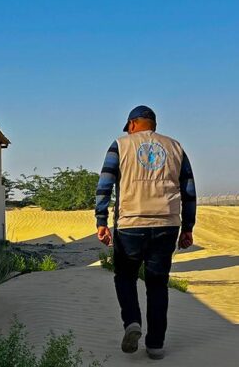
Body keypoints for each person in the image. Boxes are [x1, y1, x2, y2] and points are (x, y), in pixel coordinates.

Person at [95, 105, 196, 360]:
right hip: (166, 224)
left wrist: (101, 221)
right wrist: (188, 228)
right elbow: (189, 191)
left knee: (125, 276)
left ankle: (132, 321)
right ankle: (155, 345)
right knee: (157, 284)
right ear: (153, 125)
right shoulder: (176, 147)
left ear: (131, 125)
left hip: (131, 224)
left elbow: (105, 184)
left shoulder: (120, 145)